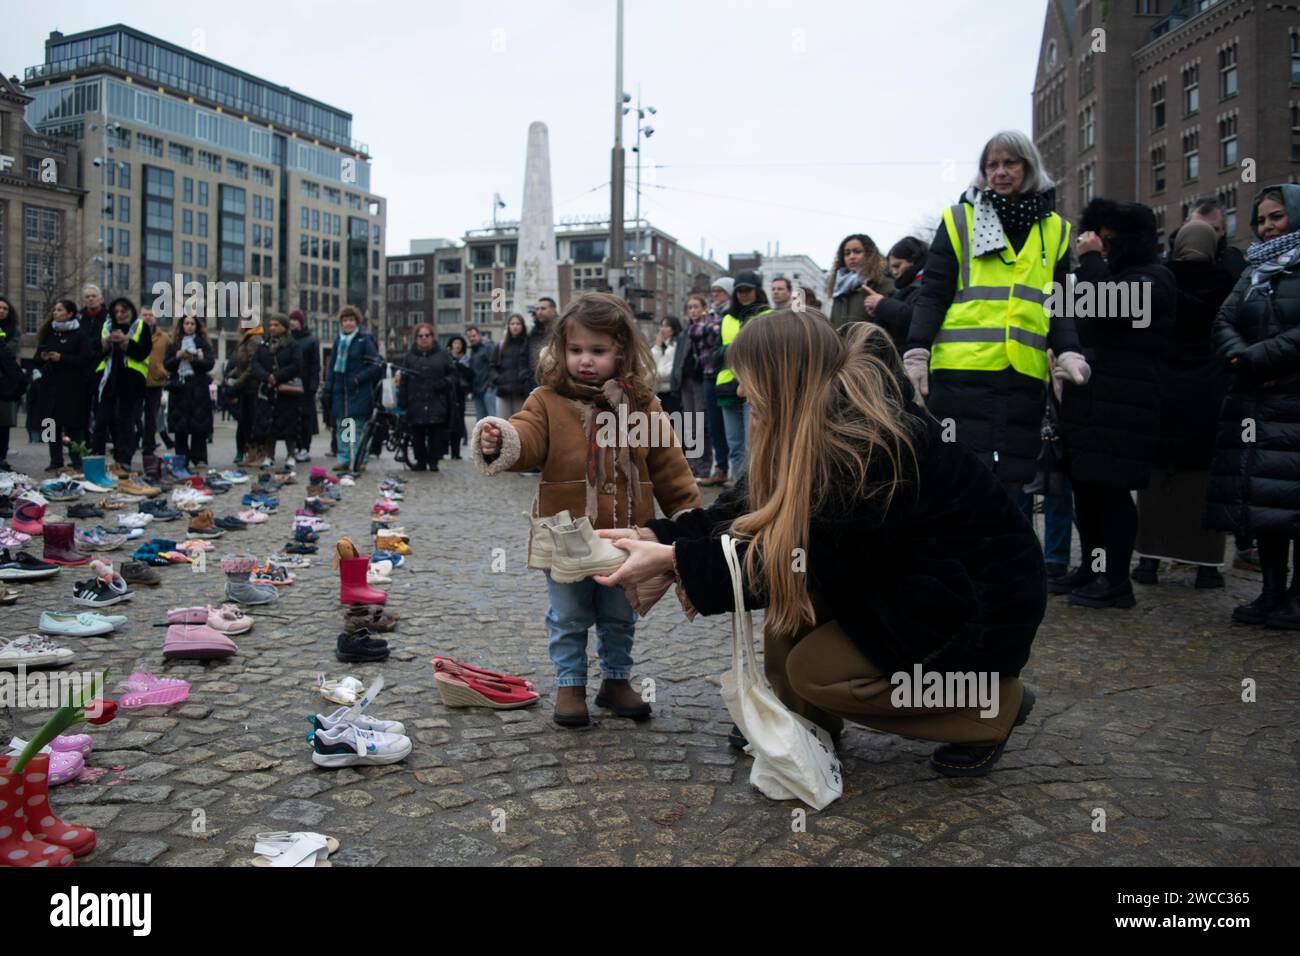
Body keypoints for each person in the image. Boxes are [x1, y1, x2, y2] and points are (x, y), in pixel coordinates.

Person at [596, 315, 1044, 777]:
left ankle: (989, 708)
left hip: (975, 606)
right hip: (903, 582)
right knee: (791, 612)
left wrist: (675, 562)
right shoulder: (806, 420)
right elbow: (742, 511)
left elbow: (807, 559)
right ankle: (805, 721)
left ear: (780, 377)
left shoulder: (868, 444)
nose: (742, 393)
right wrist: (659, 537)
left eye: (748, 379)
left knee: (817, 669)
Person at [472, 292, 701, 728]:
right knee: (569, 613)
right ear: (560, 350)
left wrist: (688, 517)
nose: (585, 361)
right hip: (566, 533)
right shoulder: (547, 400)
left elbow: (670, 466)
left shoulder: (643, 404)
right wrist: (502, 439)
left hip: (627, 535)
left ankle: (615, 681)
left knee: (619, 613)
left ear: (622, 351)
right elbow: (528, 437)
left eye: (598, 351)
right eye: (575, 350)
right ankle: (570, 684)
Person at [905, 130, 1089, 566]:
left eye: (1011, 163)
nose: (1001, 172)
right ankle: (955, 567)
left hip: (1021, 375)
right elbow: (933, 292)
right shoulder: (959, 220)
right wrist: (917, 349)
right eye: (992, 165)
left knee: (1014, 479)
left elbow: (1060, 302)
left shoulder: (1056, 230)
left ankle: (1002, 571)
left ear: (1028, 167)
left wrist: (1069, 350)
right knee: (960, 474)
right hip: (961, 372)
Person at [1054, 199, 1174, 610]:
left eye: (1107, 242)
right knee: (1085, 490)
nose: (1099, 247)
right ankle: (1092, 567)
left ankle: (1117, 580)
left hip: (1126, 402)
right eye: (1096, 240)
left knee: (1112, 493)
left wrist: (1089, 261)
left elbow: (1110, 309)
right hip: (1090, 399)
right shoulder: (1110, 274)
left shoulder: (1154, 278)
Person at [1206, 184, 1300, 629]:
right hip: (1255, 401)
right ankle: (1271, 592)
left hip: (1292, 400)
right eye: (1261, 220)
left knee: (1295, 503)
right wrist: (1240, 357)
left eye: (1276, 217)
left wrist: (1257, 358)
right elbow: (1223, 320)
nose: (1267, 227)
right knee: (1266, 505)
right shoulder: (1254, 268)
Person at [1133, 219, 1235, 589]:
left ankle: (1148, 561)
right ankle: (1206, 566)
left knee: (1157, 482)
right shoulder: (1228, 283)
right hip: (1207, 399)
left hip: (1162, 393)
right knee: (1203, 485)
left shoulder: (1161, 282)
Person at [715, 271, 771, 483]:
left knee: (754, 444)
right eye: (739, 291)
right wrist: (735, 348)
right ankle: (739, 490)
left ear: (757, 290)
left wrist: (735, 349)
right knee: (735, 445)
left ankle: (755, 487)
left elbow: (768, 352)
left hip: (755, 387)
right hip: (727, 387)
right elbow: (714, 354)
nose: (744, 294)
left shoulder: (768, 316)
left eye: (748, 290)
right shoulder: (727, 319)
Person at [91, 297, 152, 473]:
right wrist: (107, 342)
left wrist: (125, 342)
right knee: (101, 421)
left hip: (131, 382)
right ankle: (96, 459)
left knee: (126, 423)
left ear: (130, 311)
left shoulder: (141, 326)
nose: (119, 315)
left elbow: (143, 352)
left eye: (123, 311)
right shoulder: (107, 326)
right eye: (116, 312)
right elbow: (95, 350)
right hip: (109, 381)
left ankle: (124, 460)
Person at [33, 300, 92, 473]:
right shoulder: (48, 334)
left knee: (73, 427)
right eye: (55, 309)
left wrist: (62, 358)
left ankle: (76, 460)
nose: (55, 313)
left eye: (60, 310)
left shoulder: (80, 335)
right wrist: (43, 357)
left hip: (72, 389)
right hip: (50, 388)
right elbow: (36, 359)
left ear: (70, 313)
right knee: (51, 425)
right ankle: (55, 460)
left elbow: (85, 359)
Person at [324, 305, 382, 473]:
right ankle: (343, 459)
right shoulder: (338, 341)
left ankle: (360, 459)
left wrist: (359, 378)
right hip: (341, 391)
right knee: (343, 427)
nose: (348, 323)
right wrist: (329, 388)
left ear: (356, 322)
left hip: (358, 391)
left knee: (356, 429)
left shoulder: (365, 340)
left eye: (351, 320)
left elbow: (376, 365)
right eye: (345, 320)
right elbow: (333, 366)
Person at [162, 311, 215, 469]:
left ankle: (199, 458)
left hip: (198, 388)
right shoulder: (174, 344)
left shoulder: (203, 344)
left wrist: (195, 359)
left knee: (199, 425)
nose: (189, 326)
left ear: (197, 326)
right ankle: (182, 458)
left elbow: (209, 364)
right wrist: (178, 357)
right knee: (181, 427)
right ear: (182, 325)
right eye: (187, 323)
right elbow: (167, 364)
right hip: (180, 388)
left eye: (192, 323)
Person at [251, 313, 304, 468]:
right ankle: (269, 456)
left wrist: (277, 376)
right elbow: (255, 364)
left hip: (287, 392)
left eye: (276, 325)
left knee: (290, 424)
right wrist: (267, 376)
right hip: (268, 391)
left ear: (284, 327)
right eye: (271, 325)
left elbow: (296, 365)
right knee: (269, 425)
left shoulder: (293, 345)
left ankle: (290, 455)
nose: (272, 328)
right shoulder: (264, 345)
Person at [399, 323, 453, 471]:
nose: (424, 338)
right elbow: (404, 379)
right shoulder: (410, 357)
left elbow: (453, 374)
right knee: (417, 434)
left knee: (436, 432)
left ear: (432, 337)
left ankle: (434, 461)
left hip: (437, 399)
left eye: (427, 335)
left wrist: (443, 383)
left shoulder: (442, 355)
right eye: (420, 336)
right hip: (415, 400)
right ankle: (421, 460)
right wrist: (403, 401)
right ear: (415, 338)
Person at [697, 278, 733, 487]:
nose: (715, 295)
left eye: (720, 291)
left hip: (728, 375)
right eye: (713, 291)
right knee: (715, 426)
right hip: (709, 375)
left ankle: (733, 471)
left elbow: (707, 336)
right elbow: (696, 334)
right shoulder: (710, 315)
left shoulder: (733, 315)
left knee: (732, 428)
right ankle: (720, 468)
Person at [867, 237, 929, 350]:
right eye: (892, 268)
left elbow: (916, 317)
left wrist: (881, 304)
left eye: (897, 266)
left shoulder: (928, 284)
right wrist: (879, 309)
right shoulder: (906, 288)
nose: (894, 272)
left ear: (915, 260)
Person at [1167, 197, 1248, 281]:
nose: (1205, 235)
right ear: (1186, 224)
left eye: (1213, 229)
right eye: (1198, 227)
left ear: (1224, 229)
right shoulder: (1164, 267)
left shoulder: (1236, 263)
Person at [827, 234, 896, 330]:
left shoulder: (882, 282)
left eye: (857, 252)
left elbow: (892, 319)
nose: (852, 256)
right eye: (847, 253)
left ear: (869, 254)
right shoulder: (838, 288)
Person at [678, 293, 712, 480]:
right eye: (690, 307)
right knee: (690, 424)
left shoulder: (707, 328)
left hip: (700, 380)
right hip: (686, 381)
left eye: (696, 307)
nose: (693, 310)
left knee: (701, 423)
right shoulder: (685, 332)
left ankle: (704, 466)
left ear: (703, 308)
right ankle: (692, 465)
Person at [229, 321, 264, 467]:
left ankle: (256, 453)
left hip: (252, 388)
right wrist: (231, 375)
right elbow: (240, 364)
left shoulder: (254, 340)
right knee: (245, 422)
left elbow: (251, 367)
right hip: (245, 388)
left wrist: (238, 382)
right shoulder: (246, 339)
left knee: (252, 422)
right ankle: (250, 453)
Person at [139, 307, 171, 463]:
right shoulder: (134, 334)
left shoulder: (163, 337)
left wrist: (164, 371)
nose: (148, 317)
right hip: (136, 381)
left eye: (150, 315)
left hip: (155, 382)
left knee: (152, 417)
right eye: (145, 315)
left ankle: (148, 446)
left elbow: (171, 356)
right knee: (134, 416)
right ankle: (133, 443)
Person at [289, 310, 321, 462]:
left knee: (306, 418)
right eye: (291, 319)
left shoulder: (311, 340)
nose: (292, 322)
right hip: (291, 385)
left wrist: (314, 385)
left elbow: (315, 365)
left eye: (295, 319)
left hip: (306, 385)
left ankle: (305, 447)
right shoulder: (288, 339)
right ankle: (295, 445)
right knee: (292, 417)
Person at [493, 314, 533, 418]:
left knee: (520, 424)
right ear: (509, 326)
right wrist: (497, 378)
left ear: (523, 326)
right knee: (503, 424)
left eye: (518, 324)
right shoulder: (501, 345)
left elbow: (532, 365)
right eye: (512, 324)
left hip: (521, 393)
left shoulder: (528, 344)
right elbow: (492, 366)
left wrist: (525, 381)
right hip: (503, 392)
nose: (515, 326)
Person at [0, 297, 21, 471]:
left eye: (5, 308)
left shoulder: (14, 331)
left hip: (6, 382)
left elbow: (11, 351)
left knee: (4, 423)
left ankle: (2, 457)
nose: (2, 311)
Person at [445, 334, 473, 460]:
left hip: (459, 395)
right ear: (451, 344)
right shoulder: (445, 359)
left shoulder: (465, 360)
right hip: (446, 394)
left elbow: (470, 375)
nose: (457, 345)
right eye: (455, 343)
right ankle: (442, 451)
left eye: (460, 343)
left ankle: (456, 453)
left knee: (458, 422)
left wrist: (461, 367)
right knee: (445, 422)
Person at [651, 315, 683, 416]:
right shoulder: (661, 346)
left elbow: (668, 372)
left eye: (666, 326)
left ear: (673, 329)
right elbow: (651, 366)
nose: (662, 329)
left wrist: (656, 375)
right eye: (661, 326)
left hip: (672, 392)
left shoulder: (675, 346)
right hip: (660, 392)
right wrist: (657, 347)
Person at [466, 325, 497, 422]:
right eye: (469, 337)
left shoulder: (488, 347)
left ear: (479, 335)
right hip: (477, 390)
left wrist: (491, 385)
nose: (472, 338)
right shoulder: (473, 351)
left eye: (474, 336)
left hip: (488, 389)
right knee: (480, 420)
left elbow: (494, 365)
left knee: (492, 419)